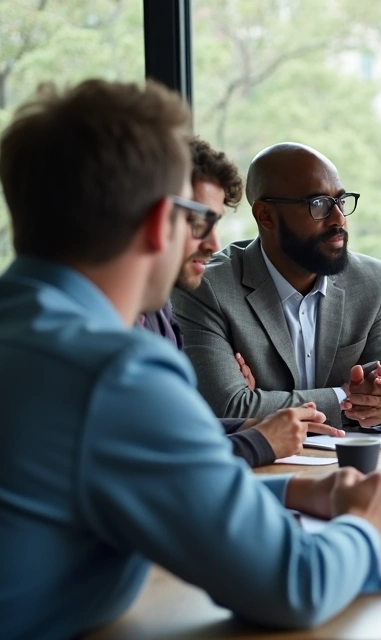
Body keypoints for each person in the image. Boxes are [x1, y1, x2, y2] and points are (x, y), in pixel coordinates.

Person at [0, 79, 381, 639]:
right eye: (195, 217)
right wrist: (367, 527)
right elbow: (294, 586)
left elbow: (146, 491)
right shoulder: (115, 373)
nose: (212, 242)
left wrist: (291, 489)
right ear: (156, 223)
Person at [172, 143, 381, 431]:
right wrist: (344, 399)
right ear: (265, 216)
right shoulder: (208, 287)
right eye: (319, 204)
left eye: (340, 201)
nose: (339, 219)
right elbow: (229, 408)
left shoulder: (369, 279)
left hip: (352, 462)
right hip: (262, 465)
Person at [138, 136, 345, 466]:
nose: (213, 244)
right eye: (198, 222)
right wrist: (258, 440)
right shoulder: (100, 332)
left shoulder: (156, 311)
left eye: (215, 223)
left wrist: (253, 424)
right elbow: (154, 458)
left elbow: (175, 429)